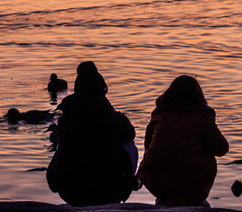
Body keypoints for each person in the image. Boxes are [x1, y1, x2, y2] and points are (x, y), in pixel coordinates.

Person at [47, 61, 138, 206]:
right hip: (108, 192)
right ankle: (128, 182)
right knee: (129, 143)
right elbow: (130, 135)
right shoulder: (115, 120)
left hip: (69, 191)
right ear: (102, 91)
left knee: (65, 142)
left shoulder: (65, 120)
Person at [136, 75, 230, 206]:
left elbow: (148, 146)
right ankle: (192, 198)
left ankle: (165, 197)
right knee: (206, 149)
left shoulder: (159, 115)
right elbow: (221, 149)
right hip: (192, 182)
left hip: (159, 181)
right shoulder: (202, 116)